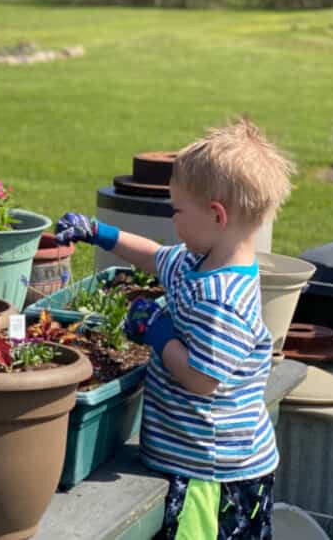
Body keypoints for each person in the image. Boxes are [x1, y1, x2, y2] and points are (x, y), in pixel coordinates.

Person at [55, 119, 295, 539]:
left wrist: (158, 330)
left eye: (177, 211)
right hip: (191, 459)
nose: (173, 220)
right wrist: (100, 232)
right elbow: (154, 257)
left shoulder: (223, 298)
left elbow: (201, 378)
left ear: (217, 215)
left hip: (213, 475)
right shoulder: (196, 261)